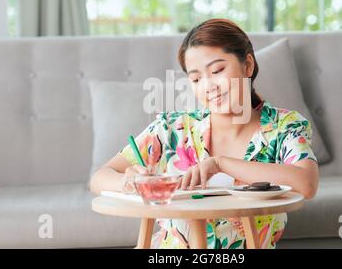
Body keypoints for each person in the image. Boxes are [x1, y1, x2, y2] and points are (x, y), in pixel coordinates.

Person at [90, 18, 319, 249]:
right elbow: (100, 177)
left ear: (248, 65)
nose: (208, 86)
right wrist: (130, 182)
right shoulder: (172, 129)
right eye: (196, 79)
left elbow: (307, 183)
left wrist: (220, 164)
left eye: (218, 70)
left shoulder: (283, 126)